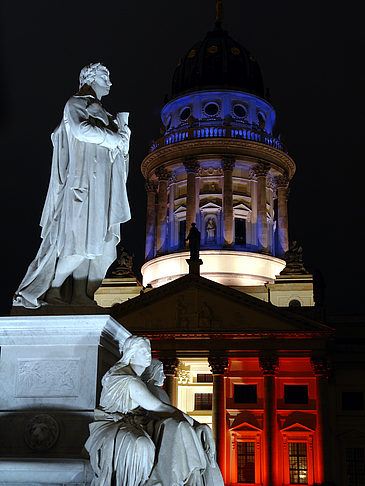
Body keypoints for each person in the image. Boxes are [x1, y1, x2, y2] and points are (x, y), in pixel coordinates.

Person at [13, 63, 131, 308]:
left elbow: (119, 153)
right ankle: (52, 288)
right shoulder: (77, 103)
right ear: (90, 78)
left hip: (103, 187)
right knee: (79, 245)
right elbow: (80, 130)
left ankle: (80, 295)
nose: (110, 83)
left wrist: (124, 136)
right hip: (83, 183)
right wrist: (114, 138)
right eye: (106, 77)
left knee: (103, 250)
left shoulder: (106, 115)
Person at [85, 336, 224, 486]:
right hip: (115, 426)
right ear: (131, 353)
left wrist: (194, 425)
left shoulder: (130, 376)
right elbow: (159, 407)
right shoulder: (129, 380)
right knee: (143, 444)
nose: (148, 355)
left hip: (135, 424)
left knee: (177, 428)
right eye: (143, 351)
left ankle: (181, 478)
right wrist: (196, 424)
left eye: (149, 351)